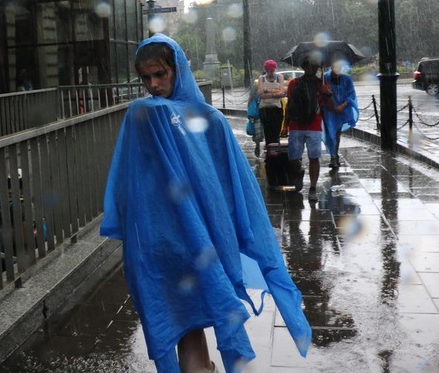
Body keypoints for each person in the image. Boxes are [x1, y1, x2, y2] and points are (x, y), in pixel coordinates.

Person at [101, 33, 311, 372]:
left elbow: (129, 189)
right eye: (146, 78)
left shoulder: (144, 114)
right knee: (195, 322)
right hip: (196, 243)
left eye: (160, 74)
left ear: (177, 69)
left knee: (186, 327)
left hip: (166, 244)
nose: (153, 85)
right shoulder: (207, 118)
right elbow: (229, 189)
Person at [283, 57, 333, 201]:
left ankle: (313, 188)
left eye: (314, 66)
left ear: (318, 68)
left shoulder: (321, 84)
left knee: (314, 157)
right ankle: (299, 171)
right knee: (293, 158)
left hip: (314, 126)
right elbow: (289, 105)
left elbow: (330, 107)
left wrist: (327, 93)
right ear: (303, 67)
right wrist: (285, 125)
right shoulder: (294, 83)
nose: (311, 69)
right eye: (308, 66)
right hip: (296, 125)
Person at [322, 59, 359, 169]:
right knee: (330, 133)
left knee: (336, 133)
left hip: (341, 110)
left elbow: (351, 95)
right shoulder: (325, 78)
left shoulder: (347, 79)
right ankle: (333, 156)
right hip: (328, 110)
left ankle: (334, 154)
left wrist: (342, 106)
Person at [256, 60, 286, 146]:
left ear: (275, 69)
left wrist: (267, 91)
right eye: (268, 71)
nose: (270, 73)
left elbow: (282, 93)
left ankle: (276, 150)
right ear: (265, 70)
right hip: (265, 110)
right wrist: (275, 93)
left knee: (276, 133)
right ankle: (269, 151)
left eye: (272, 71)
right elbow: (260, 94)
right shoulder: (261, 78)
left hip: (276, 109)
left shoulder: (280, 77)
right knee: (267, 133)